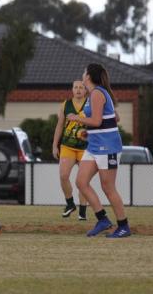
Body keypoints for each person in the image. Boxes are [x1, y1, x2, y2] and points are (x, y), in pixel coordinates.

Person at [67, 63, 130, 238]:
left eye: (84, 71)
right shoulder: (93, 94)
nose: (82, 73)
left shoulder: (96, 93)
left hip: (108, 147)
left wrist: (76, 119)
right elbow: (113, 118)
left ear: (88, 76)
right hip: (95, 146)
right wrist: (90, 132)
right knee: (81, 182)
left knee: (108, 187)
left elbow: (96, 121)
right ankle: (102, 219)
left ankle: (124, 226)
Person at [51, 80, 89, 221]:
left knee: (83, 181)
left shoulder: (90, 104)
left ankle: (83, 211)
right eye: (76, 87)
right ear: (72, 90)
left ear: (85, 91)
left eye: (81, 87)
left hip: (85, 148)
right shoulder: (65, 104)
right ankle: (70, 204)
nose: (78, 90)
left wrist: (88, 134)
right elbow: (60, 126)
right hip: (67, 146)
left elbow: (96, 124)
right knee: (63, 175)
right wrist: (55, 145)